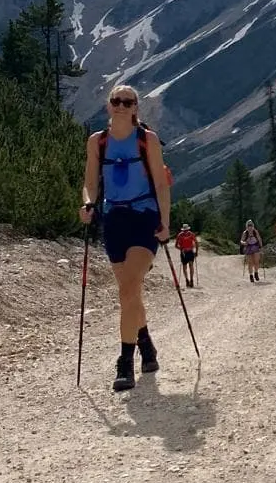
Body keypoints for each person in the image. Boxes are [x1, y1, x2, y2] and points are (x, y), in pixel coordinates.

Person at [79, 85, 171, 393]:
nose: (120, 105)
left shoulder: (148, 140)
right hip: (113, 219)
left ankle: (124, 362)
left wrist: (165, 221)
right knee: (128, 293)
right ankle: (146, 345)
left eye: (127, 101)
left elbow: (160, 183)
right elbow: (90, 182)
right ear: (108, 106)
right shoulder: (97, 142)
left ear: (135, 108)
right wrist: (88, 203)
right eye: (115, 101)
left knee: (130, 287)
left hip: (144, 217)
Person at [175, 224, 199, 289]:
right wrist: (181, 249)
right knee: (184, 266)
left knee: (191, 265)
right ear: (183, 230)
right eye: (184, 230)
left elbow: (196, 242)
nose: (185, 231)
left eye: (187, 230)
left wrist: (196, 251)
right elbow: (176, 245)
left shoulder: (191, 234)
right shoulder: (180, 235)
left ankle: (191, 280)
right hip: (184, 253)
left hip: (190, 252)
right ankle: (187, 280)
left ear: (188, 229)